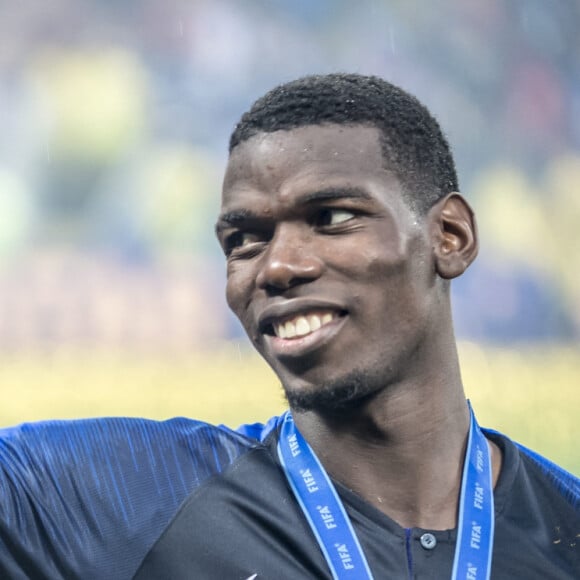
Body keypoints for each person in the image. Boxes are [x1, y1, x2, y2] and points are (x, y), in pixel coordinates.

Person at [0, 74, 578, 579]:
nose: (277, 266)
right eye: (244, 240)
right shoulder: (125, 500)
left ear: (449, 237)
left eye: (331, 218)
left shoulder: (567, 533)